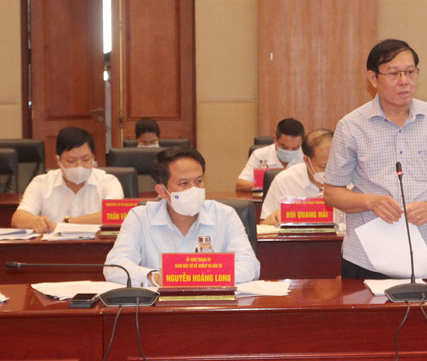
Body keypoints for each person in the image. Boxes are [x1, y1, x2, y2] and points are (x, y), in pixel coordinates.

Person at [324, 39, 427, 279]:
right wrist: (370, 201)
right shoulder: (351, 126)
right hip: (366, 259)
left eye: (410, 72)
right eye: (394, 74)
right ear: (373, 78)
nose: (404, 81)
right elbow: (331, 193)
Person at [104, 146, 260, 287]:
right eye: (184, 183)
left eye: (199, 181)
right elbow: (115, 266)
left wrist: (199, 276)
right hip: (159, 306)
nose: (194, 189)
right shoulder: (140, 217)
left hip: (211, 303)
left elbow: (250, 265)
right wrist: (156, 277)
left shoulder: (225, 215)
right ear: (162, 191)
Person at [11, 127, 123, 233]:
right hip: (53, 246)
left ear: (93, 157)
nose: (79, 166)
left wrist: (66, 223)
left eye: (85, 159)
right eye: (71, 161)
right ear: (58, 160)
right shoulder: (41, 183)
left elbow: (116, 215)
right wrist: (35, 221)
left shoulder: (108, 181)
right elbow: (17, 219)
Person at [260, 128, 333, 226]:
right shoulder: (283, 181)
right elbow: (264, 224)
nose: (331, 171)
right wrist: (272, 219)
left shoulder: (351, 180)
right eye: (323, 166)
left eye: (335, 165)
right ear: (307, 161)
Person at [236, 118, 305, 191]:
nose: (289, 151)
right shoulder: (259, 155)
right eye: (284, 147)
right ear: (275, 139)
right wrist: (273, 186)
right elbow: (240, 184)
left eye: (295, 148)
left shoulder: (306, 156)